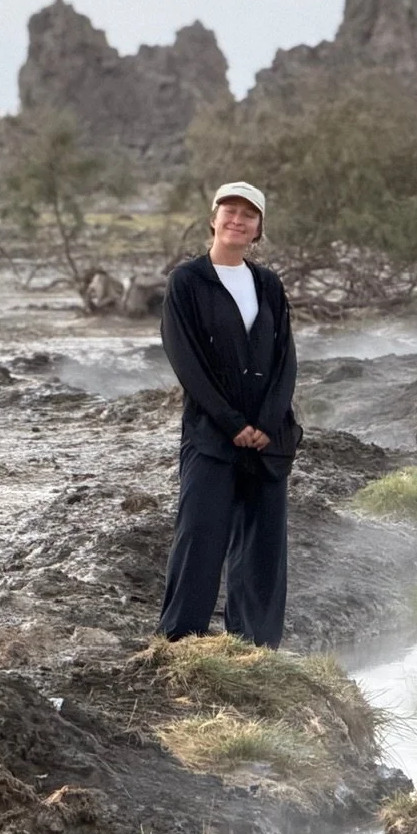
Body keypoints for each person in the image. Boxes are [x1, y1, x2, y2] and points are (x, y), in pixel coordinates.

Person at [156, 180, 301, 647]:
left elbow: (285, 358)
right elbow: (187, 362)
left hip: (267, 438)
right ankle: (182, 643)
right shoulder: (187, 282)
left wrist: (266, 422)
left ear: (258, 229)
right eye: (229, 211)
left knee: (261, 548)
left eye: (249, 215)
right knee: (199, 538)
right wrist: (234, 424)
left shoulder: (268, 284)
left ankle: (254, 647)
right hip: (211, 437)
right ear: (213, 219)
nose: (238, 220)